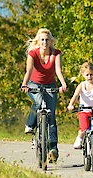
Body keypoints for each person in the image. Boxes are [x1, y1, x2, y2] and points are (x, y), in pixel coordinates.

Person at [21, 28, 67, 162]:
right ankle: (30, 125)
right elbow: (29, 70)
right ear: (38, 41)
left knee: (51, 116)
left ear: (51, 41)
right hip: (33, 84)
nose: (45, 42)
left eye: (47, 40)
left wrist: (63, 84)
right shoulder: (33, 53)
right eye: (42, 39)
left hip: (50, 85)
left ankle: (53, 148)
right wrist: (25, 84)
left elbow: (58, 70)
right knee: (38, 103)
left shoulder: (56, 54)